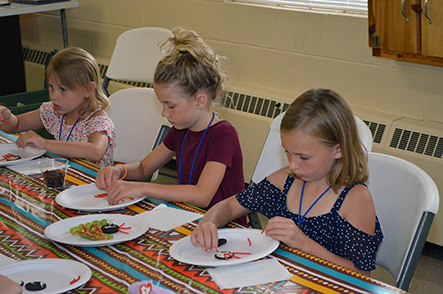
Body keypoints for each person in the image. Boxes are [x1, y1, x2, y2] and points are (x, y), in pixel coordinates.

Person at [191, 88, 383, 275]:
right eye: (288, 153)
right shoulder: (285, 180)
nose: (293, 164)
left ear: (338, 150)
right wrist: (209, 222)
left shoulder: (355, 198)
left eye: (304, 157)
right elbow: (230, 207)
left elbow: (361, 274)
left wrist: (303, 243)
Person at [95, 27, 246, 226]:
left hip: (222, 228)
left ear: (200, 101)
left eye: (171, 105)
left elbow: (202, 196)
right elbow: (143, 167)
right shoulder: (180, 130)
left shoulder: (224, 135)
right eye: (162, 104)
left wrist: (143, 188)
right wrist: (118, 171)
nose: (164, 113)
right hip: (189, 219)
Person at [0, 47, 115, 166]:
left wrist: (44, 143)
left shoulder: (98, 120)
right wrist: (7, 118)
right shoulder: (53, 111)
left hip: (94, 181)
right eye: (51, 87)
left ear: (88, 89)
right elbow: (17, 124)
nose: (54, 96)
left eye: (63, 89)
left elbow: (95, 151)